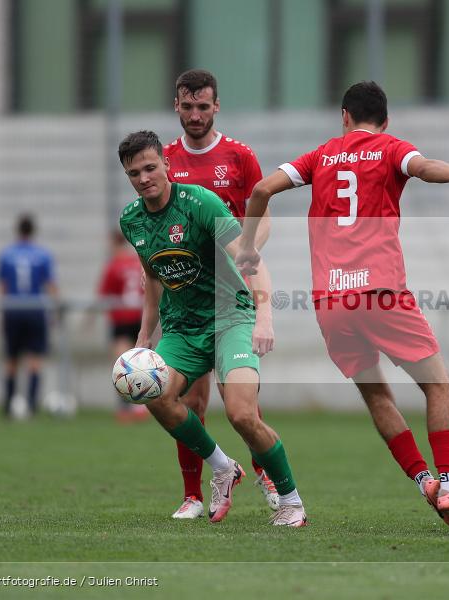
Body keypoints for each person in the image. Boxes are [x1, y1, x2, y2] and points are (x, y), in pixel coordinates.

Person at [235, 81, 449, 531]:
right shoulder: (391, 147)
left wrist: (246, 247)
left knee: (376, 393)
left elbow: (260, 189)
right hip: (379, 293)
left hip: (330, 302)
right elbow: (424, 166)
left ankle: (426, 483)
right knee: (438, 385)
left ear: (344, 117)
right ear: (386, 120)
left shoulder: (319, 156)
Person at [117, 130, 307, 527]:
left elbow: (249, 259)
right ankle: (223, 468)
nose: (144, 177)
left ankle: (291, 500)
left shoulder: (199, 203)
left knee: (241, 413)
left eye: (151, 167)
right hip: (182, 328)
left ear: (166, 165)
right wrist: (142, 337)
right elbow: (152, 279)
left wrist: (265, 317)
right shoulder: (131, 220)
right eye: (134, 173)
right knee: (156, 395)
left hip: (231, 318)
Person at [163, 68, 278, 519]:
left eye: (203, 106)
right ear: (177, 105)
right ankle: (195, 492)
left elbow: (264, 214)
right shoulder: (165, 159)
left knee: (244, 401)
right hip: (186, 298)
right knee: (190, 401)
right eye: (187, 106)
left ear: (216, 106)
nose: (195, 115)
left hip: (232, 294)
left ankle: (268, 476)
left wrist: (246, 251)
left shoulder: (240, 156)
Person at [0, 214, 58, 419]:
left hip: (12, 309)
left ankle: (8, 406)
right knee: (35, 359)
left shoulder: (6, 255)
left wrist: (1, 314)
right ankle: (30, 406)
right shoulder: (42, 255)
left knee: (11, 360)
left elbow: (2, 287)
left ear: (17, 230)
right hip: (34, 310)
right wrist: (56, 310)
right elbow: (50, 286)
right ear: (33, 231)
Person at [97, 229, 148, 423]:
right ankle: (142, 407)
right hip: (140, 316)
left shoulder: (114, 265)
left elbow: (104, 295)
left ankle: (126, 407)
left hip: (121, 318)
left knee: (122, 365)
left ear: (113, 243)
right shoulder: (137, 262)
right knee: (141, 365)